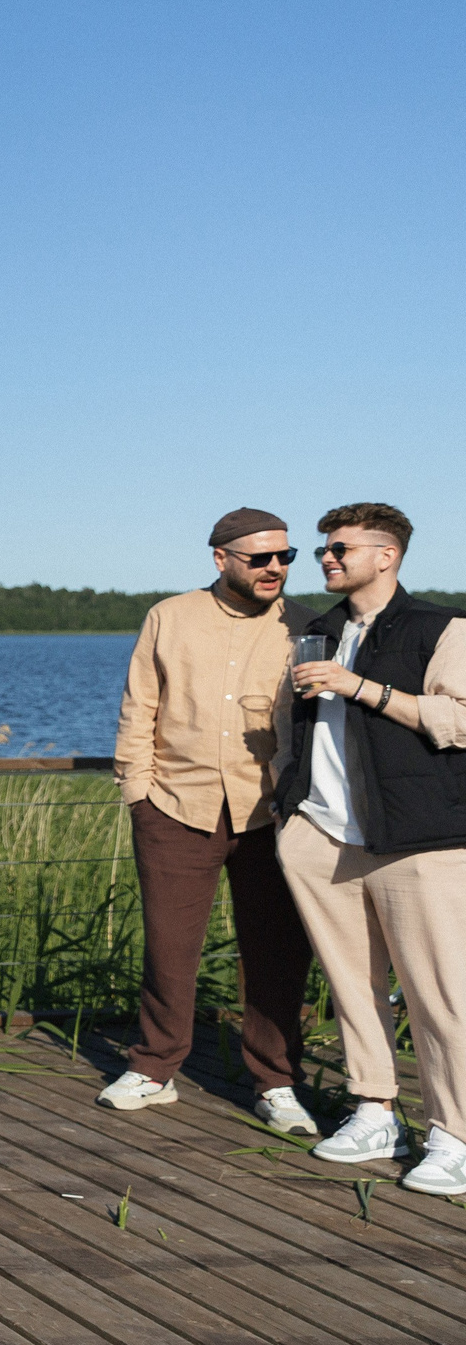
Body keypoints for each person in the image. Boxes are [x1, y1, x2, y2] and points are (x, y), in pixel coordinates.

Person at [269, 503, 466, 1195]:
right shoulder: (316, 632)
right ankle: (375, 1108)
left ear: (387, 555)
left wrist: (366, 688)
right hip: (323, 837)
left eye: (340, 546)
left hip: (418, 837)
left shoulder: (441, 628)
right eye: (323, 547)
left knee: (438, 993)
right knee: (353, 987)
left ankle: (454, 1134)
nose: (325, 556)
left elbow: (459, 721)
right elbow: (292, 732)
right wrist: (291, 811)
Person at [99, 508, 317, 1130]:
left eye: (286, 556)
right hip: (174, 805)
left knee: (277, 951)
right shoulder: (169, 617)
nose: (275, 568)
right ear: (221, 559)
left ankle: (276, 1082)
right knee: (170, 947)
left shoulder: (307, 626)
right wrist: (138, 792)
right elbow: (139, 706)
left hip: (273, 812)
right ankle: (154, 1067)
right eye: (260, 558)